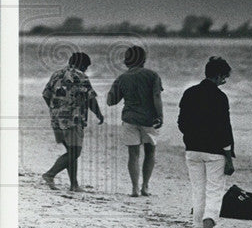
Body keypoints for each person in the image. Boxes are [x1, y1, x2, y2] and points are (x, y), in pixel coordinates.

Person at [177, 56, 235, 228]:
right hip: (215, 153)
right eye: (224, 77)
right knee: (214, 193)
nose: (224, 81)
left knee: (198, 192)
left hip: (192, 150)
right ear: (218, 75)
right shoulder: (220, 98)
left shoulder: (189, 93)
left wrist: (192, 136)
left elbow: (181, 123)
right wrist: (228, 156)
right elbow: (225, 129)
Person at [41, 51, 104, 191]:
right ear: (82, 65)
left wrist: (55, 109)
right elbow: (90, 99)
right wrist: (99, 114)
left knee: (70, 151)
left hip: (56, 120)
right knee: (75, 152)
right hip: (73, 120)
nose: (86, 69)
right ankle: (50, 174)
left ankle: (74, 185)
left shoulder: (56, 74)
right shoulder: (81, 76)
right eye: (86, 66)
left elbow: (46, 95)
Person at [106, 45, 163, 197]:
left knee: (133, 154)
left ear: (126, 60)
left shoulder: (122, 78)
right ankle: (145, 187)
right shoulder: (152, 75)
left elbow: (111, 101)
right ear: (143, 60)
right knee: (150, 152)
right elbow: (157, 97)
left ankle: (134, 189)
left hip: (130, 119)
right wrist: (160, 116)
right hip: (149, 120)